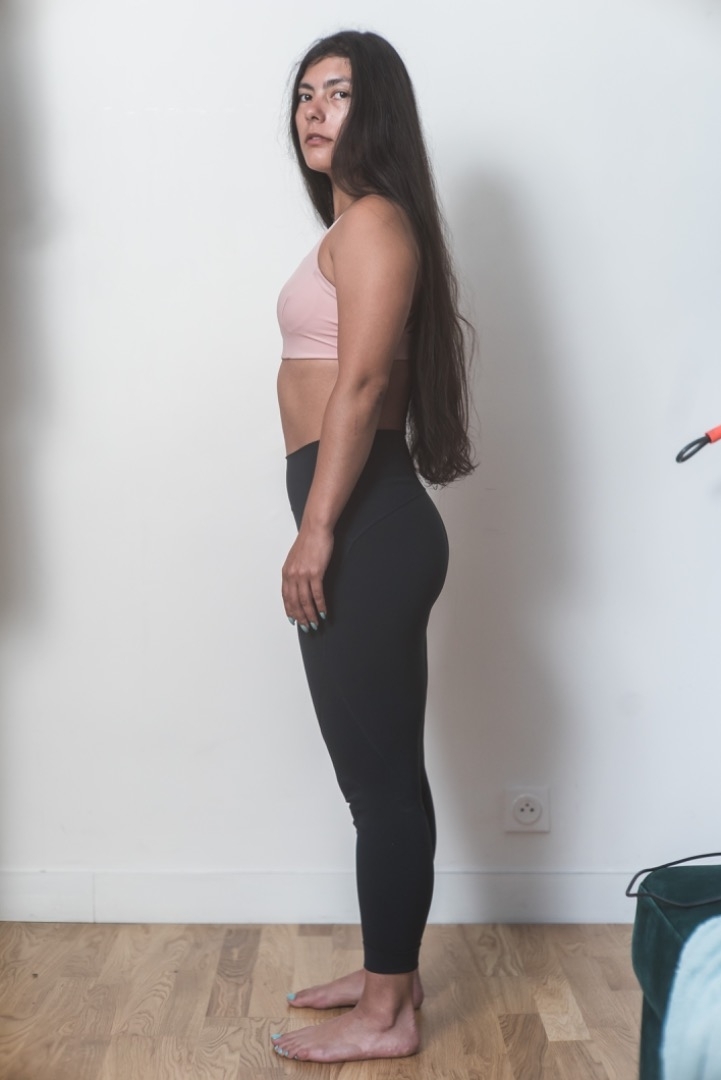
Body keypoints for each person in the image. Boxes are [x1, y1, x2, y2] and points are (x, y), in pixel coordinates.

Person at [271, 30, 475, 1064]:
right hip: (357, 516)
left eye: (339, 93)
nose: (314, 110)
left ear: (377, 109)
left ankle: (388, 1013)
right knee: (379, 777)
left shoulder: (376, 223)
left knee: (382, 784)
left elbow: (355, 387)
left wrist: (315, 530)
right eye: (305, 94)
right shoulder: (359, 224)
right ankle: (387, 969)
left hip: (364, 522)